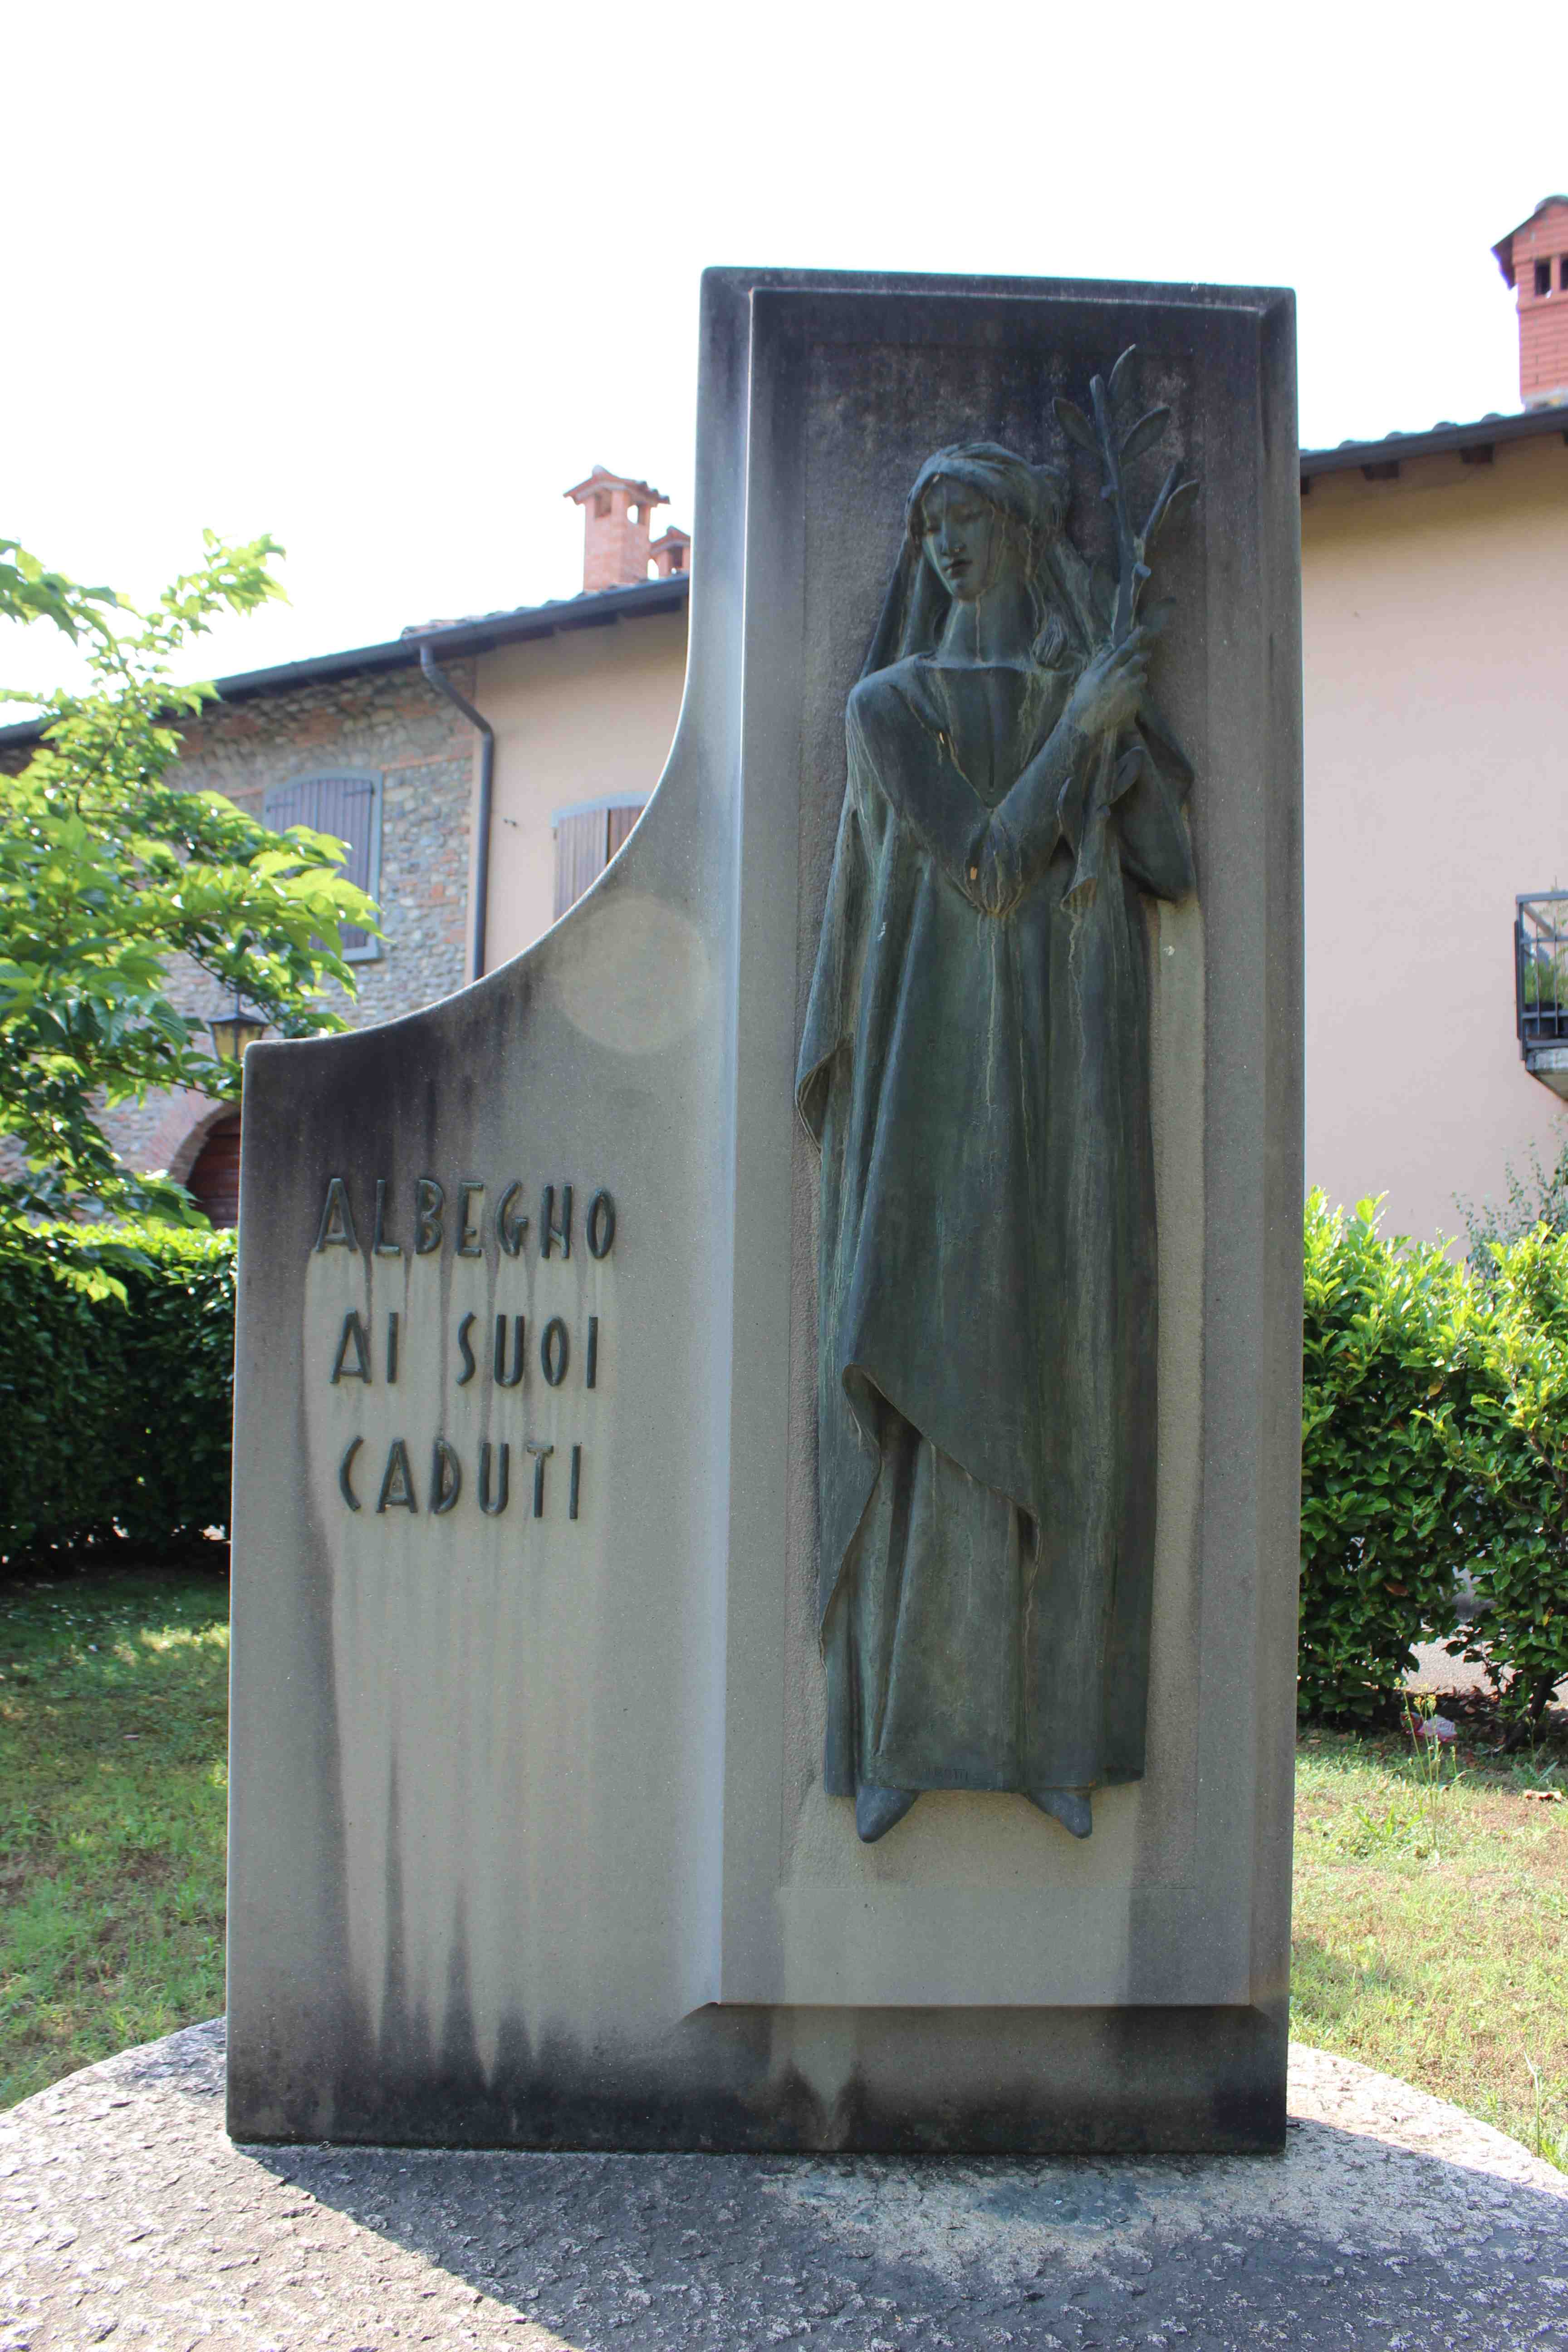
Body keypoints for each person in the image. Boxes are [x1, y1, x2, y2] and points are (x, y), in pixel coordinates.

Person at [796, 441, 1196, 1844]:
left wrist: (1124, 732)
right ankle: (906, 1726)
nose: (947, 543)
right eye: (929, 524)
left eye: (967, 515)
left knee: (1065, 1369)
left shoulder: (1077, 676)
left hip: (1069, 1071)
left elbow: (1173, 867)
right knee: (925, 1355)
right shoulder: (889, 703)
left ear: (1026, 525)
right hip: (933, 1075)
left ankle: (1050, 1731)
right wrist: (1084, 732)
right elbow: (979, 866)